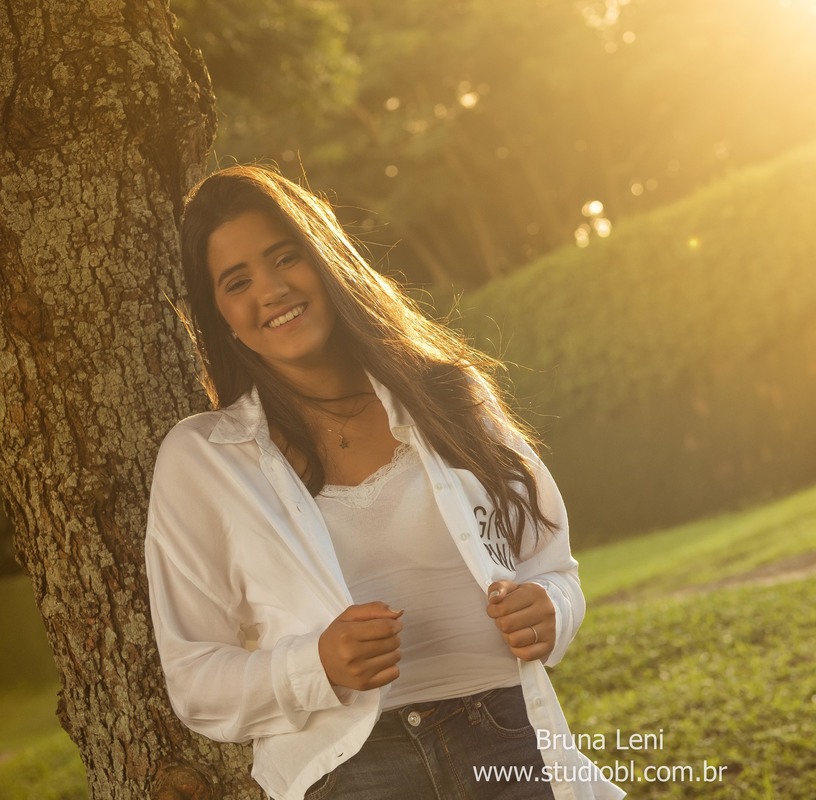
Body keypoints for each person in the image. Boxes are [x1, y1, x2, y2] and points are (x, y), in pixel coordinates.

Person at [145, 165, 624, 800]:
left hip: (509, 738)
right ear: (223, 319)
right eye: (237, 282)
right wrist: (315, 665)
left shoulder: (450, 396)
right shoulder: (206, 459)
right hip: (354, 770)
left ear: (325, 261)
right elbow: (195, 677)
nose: (270, 290)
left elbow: (553, 567)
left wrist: (553, 610)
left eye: (285, 257)